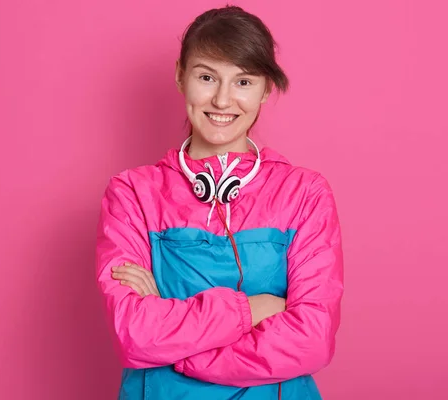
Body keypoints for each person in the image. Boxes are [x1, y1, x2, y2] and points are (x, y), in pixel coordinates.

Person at [95, 5, 344, 400]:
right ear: (181, 76)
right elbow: (136, 334)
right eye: (207, 77)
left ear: (266, 88)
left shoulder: (306, 193)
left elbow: (312, 339)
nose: (223, 100)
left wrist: (183, 354)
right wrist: (254, 308)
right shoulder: (131, 194)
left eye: (243, 81)